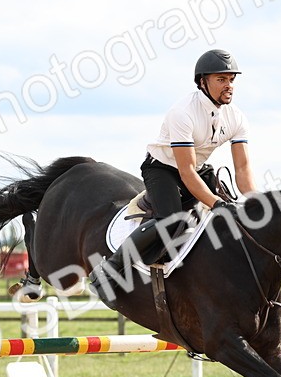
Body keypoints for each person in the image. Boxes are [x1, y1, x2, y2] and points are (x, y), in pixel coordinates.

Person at [89, 49, 255, 306]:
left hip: (198, 169)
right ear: (203, 82)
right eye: (221, 79)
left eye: (231, 80)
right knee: (170, 221)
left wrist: (256, 201)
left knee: (229, 217)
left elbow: (243, 170)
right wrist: (216, 203)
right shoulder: (183, 112)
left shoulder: (236, 117)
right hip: (163, 170)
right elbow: (185, 171)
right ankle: (109, 271)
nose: (229, 86)